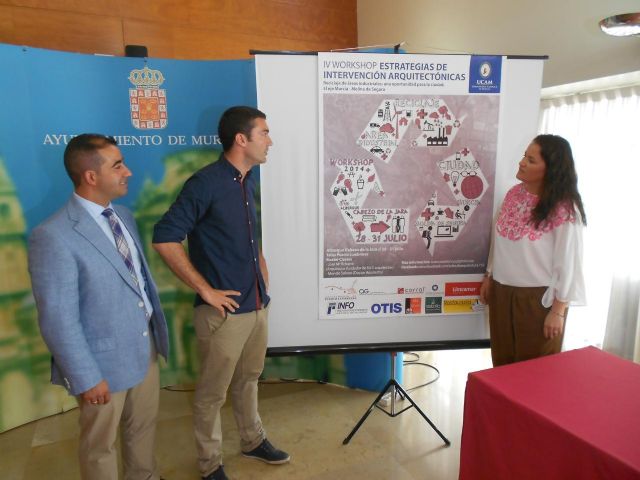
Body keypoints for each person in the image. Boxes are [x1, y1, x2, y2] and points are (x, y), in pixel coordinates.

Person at [152, 106, 289, 480]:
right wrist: (206, 290)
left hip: (256, 304)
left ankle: (252, 440)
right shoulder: (205, 183)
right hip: (223, 313)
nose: (270, 141)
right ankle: (210, 463)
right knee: (212, 394)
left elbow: (245, 235)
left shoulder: (248, 181)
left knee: (249, 379)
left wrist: (261, 265)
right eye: (264, 133)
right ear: (241, 139)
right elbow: (165, 237)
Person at [28, 134, 170, 480]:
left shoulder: (123, 216)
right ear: (90, 176)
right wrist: (86, 377)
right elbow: (58, 319)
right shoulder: (53, 235)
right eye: (117, 165)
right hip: (101, 365)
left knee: (143, 428)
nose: (128, 172)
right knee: (100, 446)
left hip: (145, 349)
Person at [479, 134, 586, 366]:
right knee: (502, 365)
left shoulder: (565, 209)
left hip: (537, 301)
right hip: (502, 291)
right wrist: (489, 274)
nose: (522, 163)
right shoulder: (513, 194)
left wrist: (558, 311)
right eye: (524, 156)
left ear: (551, 169)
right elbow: (499, 240)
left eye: (531, 160)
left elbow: (568, 263)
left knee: (533, 371)